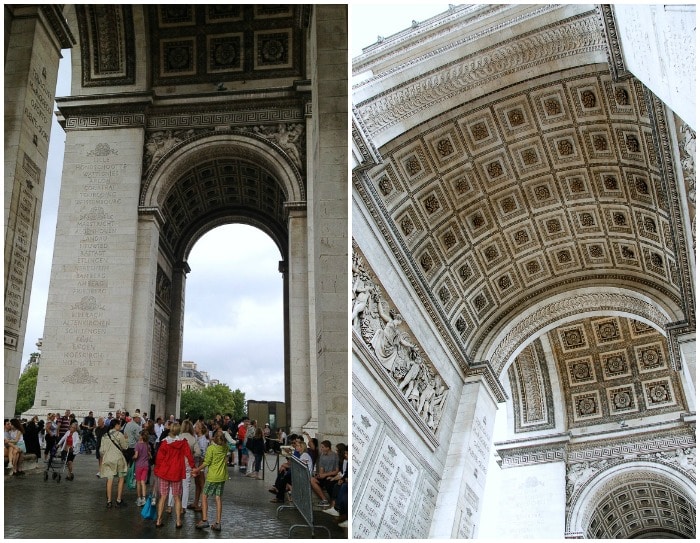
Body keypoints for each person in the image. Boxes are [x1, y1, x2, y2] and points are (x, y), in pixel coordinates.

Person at [153, 422, 194, 529]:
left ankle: (158, 520)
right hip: (176, 473)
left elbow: (159, 459)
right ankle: (178, 521)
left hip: (164, 472)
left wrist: (156, 471)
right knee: (177, 497)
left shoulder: (164, 443)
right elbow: (189, 455)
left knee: (163, 497)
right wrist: (193, 467)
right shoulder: (183, 443)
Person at [192, 430, 228, 531]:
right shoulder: (225, 447)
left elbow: (206, 462)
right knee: (218, 498)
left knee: (204, 496)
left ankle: (204, 520)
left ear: (215, 438)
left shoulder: (211, 448)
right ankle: (218, 523)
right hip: (221, 477)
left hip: (212, 476)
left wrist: (197, 470)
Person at [99, 419, 128, 508]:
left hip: (108, 459)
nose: (120, 427)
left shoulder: (104, 436)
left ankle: (109, 501)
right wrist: (126, 439)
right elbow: (125, 447)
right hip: (118, 459)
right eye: (119, 425)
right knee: (121, 478)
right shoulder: (120, 435)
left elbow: (101, 451)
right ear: (116, 425)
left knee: (109, 479)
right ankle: (118, 500)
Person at [310, 440, 339, 506]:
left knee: (329, 483)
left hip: (331, 475)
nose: (321, 449)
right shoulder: (322, 456)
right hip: (324, 476)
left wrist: (325, 475)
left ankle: (333, 502)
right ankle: (324, 500)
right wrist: (320, 475)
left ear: (327, 448)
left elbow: (336, 471)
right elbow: (321, 468)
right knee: (312, 480)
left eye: (323, 447)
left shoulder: (334, 456)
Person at [188, 420, 209, 512]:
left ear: (200, 429)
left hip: (200, 464)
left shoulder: (203, 440)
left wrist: (200, 466)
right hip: (197, 463)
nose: (194, 428)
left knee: (202, 483)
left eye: (196, 427)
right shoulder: (198, 438)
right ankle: (196, 502)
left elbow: (203, 454)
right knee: (197, 484)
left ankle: (202, 504)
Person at [134, 429, 151, 506]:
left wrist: (133, 457)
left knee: (138, 482)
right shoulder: (147, 445)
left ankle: (139, 498)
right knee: (143, 481)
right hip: (146, 465)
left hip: (138, 465)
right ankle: (144, 498)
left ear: (141, 436)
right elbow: (150, 455)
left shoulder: (137, 444)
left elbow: (136, 455)